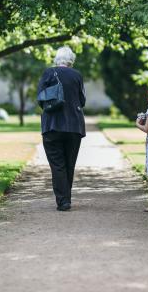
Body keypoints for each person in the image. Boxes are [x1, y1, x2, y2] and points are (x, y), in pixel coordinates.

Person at [37, 46, 86, 211]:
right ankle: (66, 199)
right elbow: (82, 100)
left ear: (56, 59)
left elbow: (41, 99)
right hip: (74, 126)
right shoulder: (77, 75)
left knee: (57, 165)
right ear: (71, 60)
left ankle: (63, 201)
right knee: (69, 163)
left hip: (52, 125)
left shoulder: (48, 73)